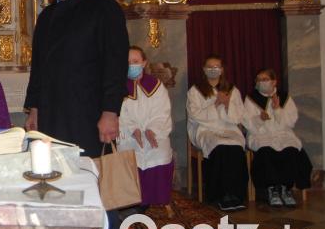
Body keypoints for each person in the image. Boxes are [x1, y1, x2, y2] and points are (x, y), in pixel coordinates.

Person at [24, 0, 129, 229]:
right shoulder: (46, 16)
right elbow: (38, 68)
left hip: (90, 117)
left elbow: (115, 65)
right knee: (63, 188)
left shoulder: (105, 10)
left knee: (97, 193)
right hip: (54, 119)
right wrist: (34, 109)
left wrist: (110, 111)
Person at [186, 54, 248, 211]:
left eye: (216, 67)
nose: (213, 70)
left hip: (228, 127)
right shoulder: (196, 90)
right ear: (204, 69)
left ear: (222, 70)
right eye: (210, 67)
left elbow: (239, 115)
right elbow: (195, 114)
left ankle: (236, 194)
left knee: (235, 146)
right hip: (205, 129)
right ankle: (221, 195)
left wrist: (227, 105)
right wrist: (216, 103)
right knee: (219, 146)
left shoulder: (232, 90)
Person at [243, 69, 312, 207]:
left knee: (291, 150)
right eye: (258, 79)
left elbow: (292, 120)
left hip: (283, 133)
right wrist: (259, 118)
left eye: (265, 79)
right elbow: (246, 121)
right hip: (261, 133)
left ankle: (286, 188)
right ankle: (272, 189)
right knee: (266, 151)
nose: (261, 82)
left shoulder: (285, 97)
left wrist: (278, 109)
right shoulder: (251, 98)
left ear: (274, 81)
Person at [117, 46, 173, 211]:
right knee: (129, 152)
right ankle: (129, 203)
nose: (131, 65)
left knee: (159, 151)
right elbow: (119, 113)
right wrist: (133, 129)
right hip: (128, 134)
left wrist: (151, 130)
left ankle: (149, 200)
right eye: (127, 62)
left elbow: (162, 112)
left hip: (152, 134)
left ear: (144, 62)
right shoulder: (119, 87)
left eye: (135, 61)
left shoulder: (156, 86)